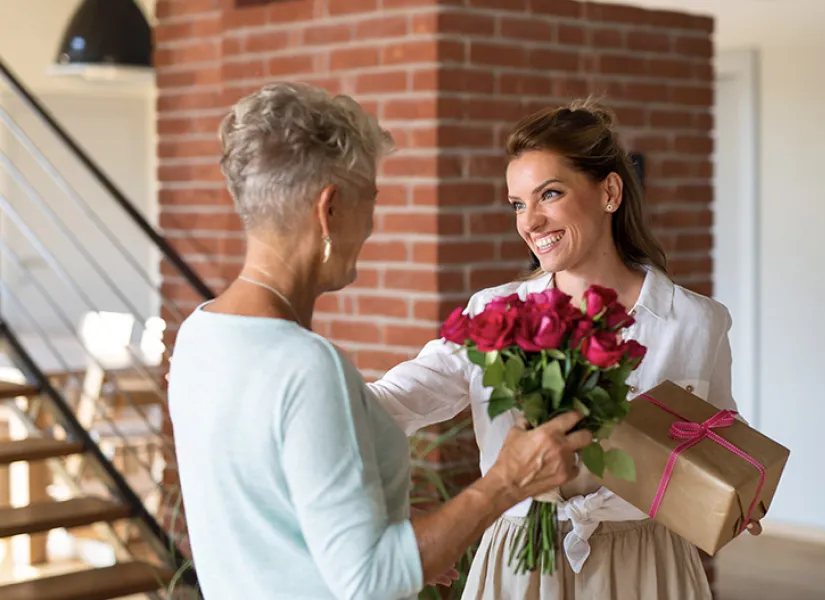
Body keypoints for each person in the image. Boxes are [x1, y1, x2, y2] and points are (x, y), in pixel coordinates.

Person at [166, 83, 592, 600]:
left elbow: (266, 507)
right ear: (330, 209)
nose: (371, 225)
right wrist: (505, 482)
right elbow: (368, 580)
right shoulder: (306, 365)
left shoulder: (199, 333)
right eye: (370, 199)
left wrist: (389, 519)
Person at [367, 99, 761, 600]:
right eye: (517, 203)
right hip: (517, 565)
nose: (529, 222)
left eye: (548, 194)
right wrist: (375, 504)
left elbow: (716, 432)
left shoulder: (698, 321)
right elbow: (392, 403)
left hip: (649, 564)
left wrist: (744, 490)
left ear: (610, 192)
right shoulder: (495, 314)